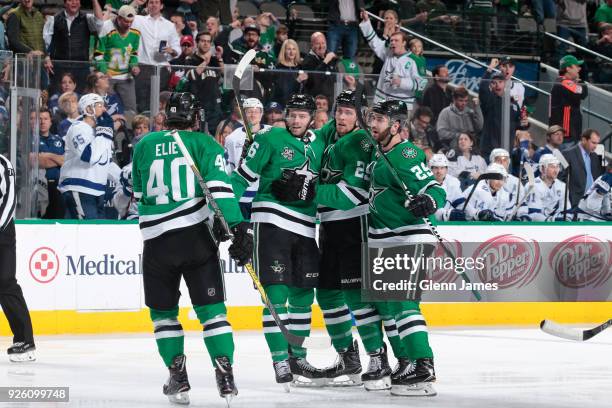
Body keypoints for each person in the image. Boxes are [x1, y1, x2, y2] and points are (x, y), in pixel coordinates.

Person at [131, 92, 250, 404]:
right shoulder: (205, 144)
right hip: (196, 239)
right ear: (195, 116)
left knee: (163, 314)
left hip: (157, 243)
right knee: (212, 313)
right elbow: (221, 190)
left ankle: (178, 378)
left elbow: (139, 193)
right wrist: (238, 227)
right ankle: (225, 375)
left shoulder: (144, 144)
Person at [230, 94, 326, 388]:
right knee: (276, 295)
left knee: (302, 298)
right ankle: (279, 360)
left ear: (312, 118)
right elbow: (240, 179)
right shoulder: (269, 138)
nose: (296, 121)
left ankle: (297, 356)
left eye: (302, 116)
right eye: (292, 115)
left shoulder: (321, 143)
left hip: (307, 228)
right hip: (271, 223)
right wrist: (231, 218)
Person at [366, 99, 444, 396]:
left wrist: (430, 201)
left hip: (409, 235)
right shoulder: (378, 153)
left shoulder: (406, 152)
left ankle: (424, 366)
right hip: (386, 237)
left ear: (396, 126)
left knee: (402, 301)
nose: (373, 124)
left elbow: (433, 188)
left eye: (380, 120)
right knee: (390, 303)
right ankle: (411, 362)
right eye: (372, 118)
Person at [0, 153, 36, 362]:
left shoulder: (3, 164)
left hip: (2, 232)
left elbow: (10, 201)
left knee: (5, 283)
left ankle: (24, 340)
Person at [58, 94, 114, 219]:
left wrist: (123, 178)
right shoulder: (78, 128)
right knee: (84, 232)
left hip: (97, 191)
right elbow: (88, 156)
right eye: (100, 105)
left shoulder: (100, 132)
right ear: (89, 109)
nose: (104, 109)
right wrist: (104, 135)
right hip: (80, 188)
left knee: (96, 233)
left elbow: (106, 163)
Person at [359, 10, 426, 107]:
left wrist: (401, 82)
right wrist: (366, 21)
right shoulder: (388, 53)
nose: (393, 43)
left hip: (403, 106)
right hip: (382, 103)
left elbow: (422, 84)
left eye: (396, 41)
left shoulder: (415, 59)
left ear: (404, 43)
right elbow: (374, 42)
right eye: (392, 40)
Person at [130, 0, 181, 113]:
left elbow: (178, 49)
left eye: (156, 2)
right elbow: (125, 15)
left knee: (159, 104)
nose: (153, 5)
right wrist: (135, 3)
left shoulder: (170, 25)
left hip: (161, 70)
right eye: (151, 2)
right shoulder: (138, 20)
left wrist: (171, 50)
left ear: (161, 6)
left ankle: (158, 128)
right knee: (142, 103)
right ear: (147, 5)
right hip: (143, 68)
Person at [224, 98, 269, 217]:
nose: (253, 114)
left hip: (265, 195)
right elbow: (229, 166)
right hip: (242, 194)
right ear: (243, 114)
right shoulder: (232, 138)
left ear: (262, 113)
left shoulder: (272, 133)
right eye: (249, 111)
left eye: (256, 111)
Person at [94, 5, 140, 114]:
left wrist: (134, 66)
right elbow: (98, 53)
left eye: (131, 22)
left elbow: (133, 54)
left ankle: (129, 130)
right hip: (107, 77)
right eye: (125, 21)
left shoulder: (136, 32)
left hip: (126, 76)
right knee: (106, 108)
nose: (128, 24)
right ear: (119, 18)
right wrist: (104, 71)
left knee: (131, 110)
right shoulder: (106, 27)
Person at [182, 31, 224, 133]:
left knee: (216, 134)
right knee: (200, 134)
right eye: (203, 41)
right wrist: (206, 61)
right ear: (197, 43)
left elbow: (225, 76)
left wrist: (219, 58)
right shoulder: (190, 59)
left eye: (208, 42)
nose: (206, 44)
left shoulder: (215, 61)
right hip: (199, 105)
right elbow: (192, 75)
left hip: (215, 105)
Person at [549, 55, 588, 146]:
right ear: (568, 68)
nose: (579, 69)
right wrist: (580, 81)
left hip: (567, 133)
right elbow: (583, 93)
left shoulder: (561, 81)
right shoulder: (564, 82)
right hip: (566, 134)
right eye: (576, 66)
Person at [561, 129, 605, 208]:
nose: (595, 146)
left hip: (592, 203)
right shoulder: (567, 153)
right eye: (593, 142)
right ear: (584, 140)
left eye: (597, 143)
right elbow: (561, 179)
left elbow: (597, 177)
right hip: (575, 202)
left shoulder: (595, 156)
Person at [34, 109, 65, 219]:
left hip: (58, 186)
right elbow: (37, 162)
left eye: (46, 119)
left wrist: (47, 155)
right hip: (39, 185)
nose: (43, 122)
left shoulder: (59, 140)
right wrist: (57, 159)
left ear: (51, 122)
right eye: (40, 119)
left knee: (57, 220)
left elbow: (65, 161)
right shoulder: (31, 140)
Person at [436, 86, 483, 152]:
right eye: (461, 100)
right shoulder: (445, 112)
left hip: (471, 147)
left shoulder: (470, 112)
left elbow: (480, 127)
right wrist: (458, 135)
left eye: (466, 101)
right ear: (454, 99)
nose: (464, 103)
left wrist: (477, 108)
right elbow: (441, 133)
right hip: (453, 147)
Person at [300, 32, 338, 102]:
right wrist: (325, 62)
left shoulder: (331, 58)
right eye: (318, 44)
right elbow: (315, 79)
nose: (321, 46)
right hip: (314, 101)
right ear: (312, 45)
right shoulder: (307, 60)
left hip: (329, 100)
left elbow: (335, 79)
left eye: (323, 43)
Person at [526, 154, 566, 221]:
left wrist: (567, 219)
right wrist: (551, 221)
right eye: (552, 167)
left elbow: (566, 210)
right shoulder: (533, 185)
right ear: (542, 168)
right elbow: (533, 214)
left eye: (557, 167)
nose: (556, 171)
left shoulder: (562, 186)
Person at [428, 154, 465, 221]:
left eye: (442, 168)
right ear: (431, 169)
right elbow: (428, 209)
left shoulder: (453, 182)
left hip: (448, 223)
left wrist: (476, 213)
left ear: (446, 169)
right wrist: (446, 214)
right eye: (436, 168)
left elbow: (460, 204)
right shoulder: (425, 183)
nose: (439, 171)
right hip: (431, 224)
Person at [272, 39, 308, 104]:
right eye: (289, 49)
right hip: (284, 102)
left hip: (299, 102)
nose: (292, 52)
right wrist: (298, 80)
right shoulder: (279, 67)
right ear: (284, 51)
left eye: (294, 49)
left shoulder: (300, 66)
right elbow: (284, 90)